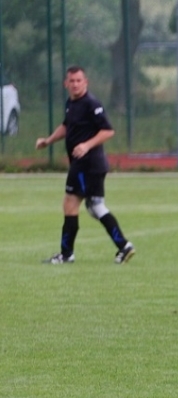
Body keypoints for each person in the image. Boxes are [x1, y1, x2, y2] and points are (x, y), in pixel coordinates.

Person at [36, 65, 135, 265]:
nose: (75, 84)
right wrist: (48, 141)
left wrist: (86, 145)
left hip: (87, 165)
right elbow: (66, 126)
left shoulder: (91, 103)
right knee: (94, 207)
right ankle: (123, 246)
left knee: (72, 204)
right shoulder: (71, 103)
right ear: (66, 84)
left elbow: (108, 131)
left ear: (86, 82)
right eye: (71, 81)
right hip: (87, 166)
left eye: (79, 80)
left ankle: (67, 254)